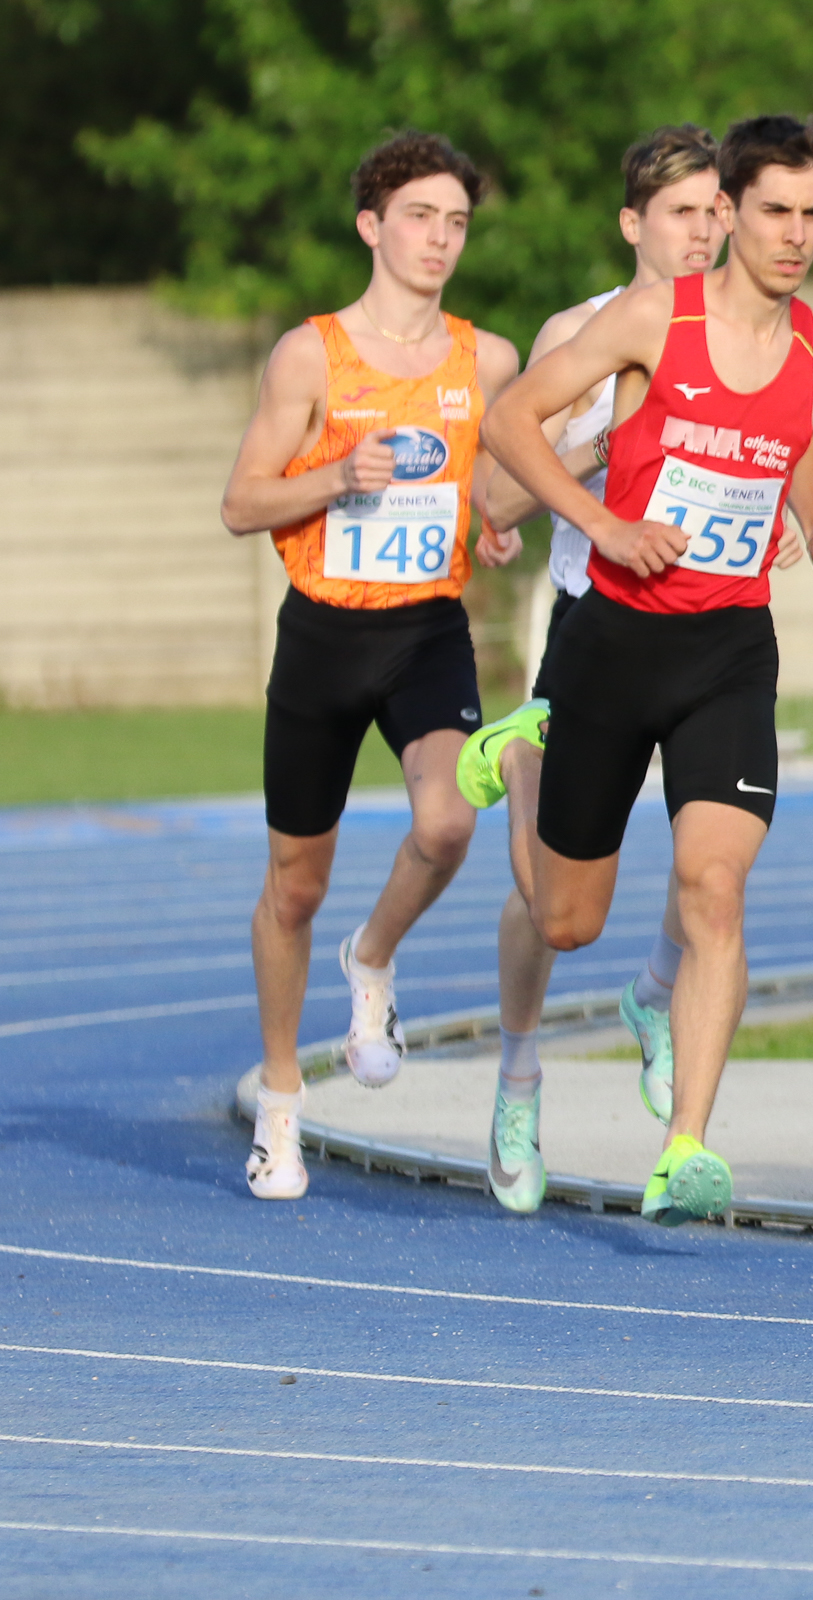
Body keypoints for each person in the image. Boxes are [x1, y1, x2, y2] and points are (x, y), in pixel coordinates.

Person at [480, 113, 813, 1226]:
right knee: (567, 921)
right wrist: (602, 523)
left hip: (729, 650)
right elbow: (509, 422)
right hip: (613, 640)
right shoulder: (652, 318)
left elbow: (798, 435)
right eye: (774, 211)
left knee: (715, 885)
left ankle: (687, 1144)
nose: (795, 235)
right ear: (731, 212)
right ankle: (523, 761)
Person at [221, 130, 534, 1201]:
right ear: (372, 225)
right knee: (293, 886)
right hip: (322, 633)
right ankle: (281, 1104)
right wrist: (334, 478)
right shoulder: (311, 355)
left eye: (457, 222)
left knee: (448, 821)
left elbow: (492, 483)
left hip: (426, 631)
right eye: (419, 217)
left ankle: (375, 955)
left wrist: (499, 520)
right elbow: (241, 502)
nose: (439, 239)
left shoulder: (488, 360)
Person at [451, 124, 724, 1213]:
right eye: (680, 212)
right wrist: (614, 438)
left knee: (715, 854)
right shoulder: (580, 332)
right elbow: (497, 498)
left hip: (709, 623)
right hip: (594, 624)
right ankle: (519, 1074)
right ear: (632, 223)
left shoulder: (755, 328)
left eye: (715, 211)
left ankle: (655, 994)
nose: (702, 232)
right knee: (552, 904)